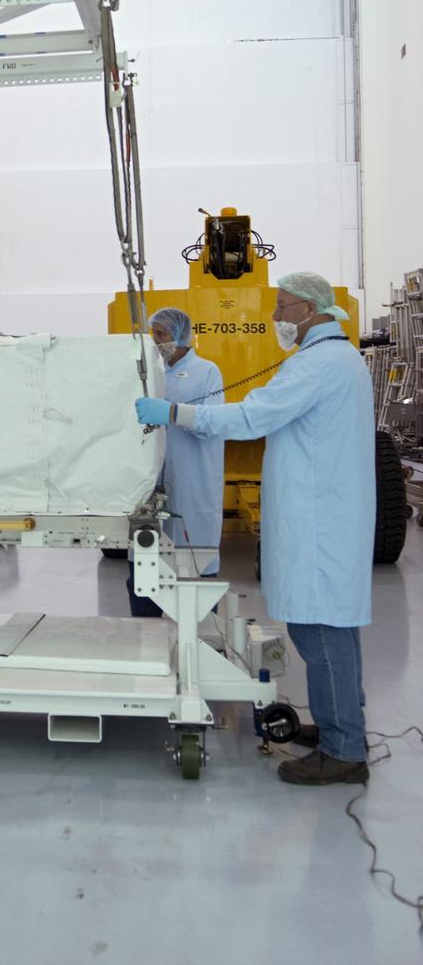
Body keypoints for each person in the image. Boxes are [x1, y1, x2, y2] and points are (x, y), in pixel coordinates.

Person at [135, 272, 375, 786]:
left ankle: (345, 751)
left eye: (283, 307)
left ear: (310, 309)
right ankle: (339, 726)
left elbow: (249, 418)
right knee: (331, 628)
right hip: (325, 513)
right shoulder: (335, 359)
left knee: (322, 630)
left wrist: (173, 412)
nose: (276, 317)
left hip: (319, 521)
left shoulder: (319, 365)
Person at [128, 309, 224, 616]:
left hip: (192, 478)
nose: (156, 341)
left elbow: (212, 423)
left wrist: (173, 413)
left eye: (162, 335)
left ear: (181, 336)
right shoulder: (147, 371)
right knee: (145, 563)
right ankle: (147, 641)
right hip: (149, 480)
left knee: (193, 563)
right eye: (153, 333)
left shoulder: (206, 372)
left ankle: (202, 642)